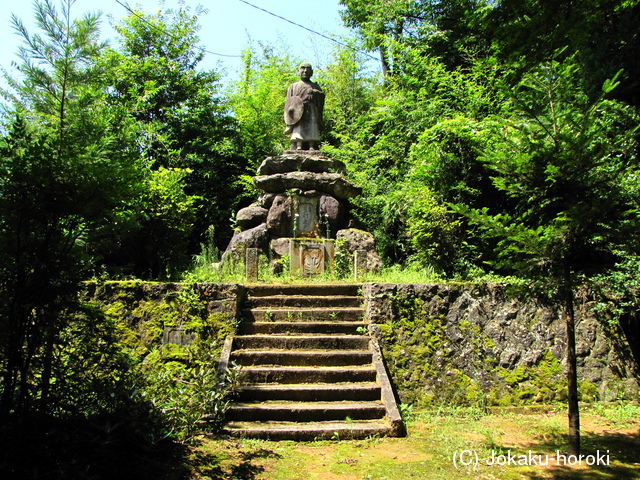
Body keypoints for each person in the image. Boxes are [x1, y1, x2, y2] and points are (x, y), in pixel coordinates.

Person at [284, 62, 325, 151]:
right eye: (303, 68)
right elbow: (289, 102)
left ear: (312, 72)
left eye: (308, 69)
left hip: (312, 110)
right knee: (299, 128)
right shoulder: (294, 86)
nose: (305, 71)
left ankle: (311, 145)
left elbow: (321, 97)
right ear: (298, 71)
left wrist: (315, 93)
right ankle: (298, 145)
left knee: (312, 127)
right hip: (298, 111)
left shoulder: (315, 86)